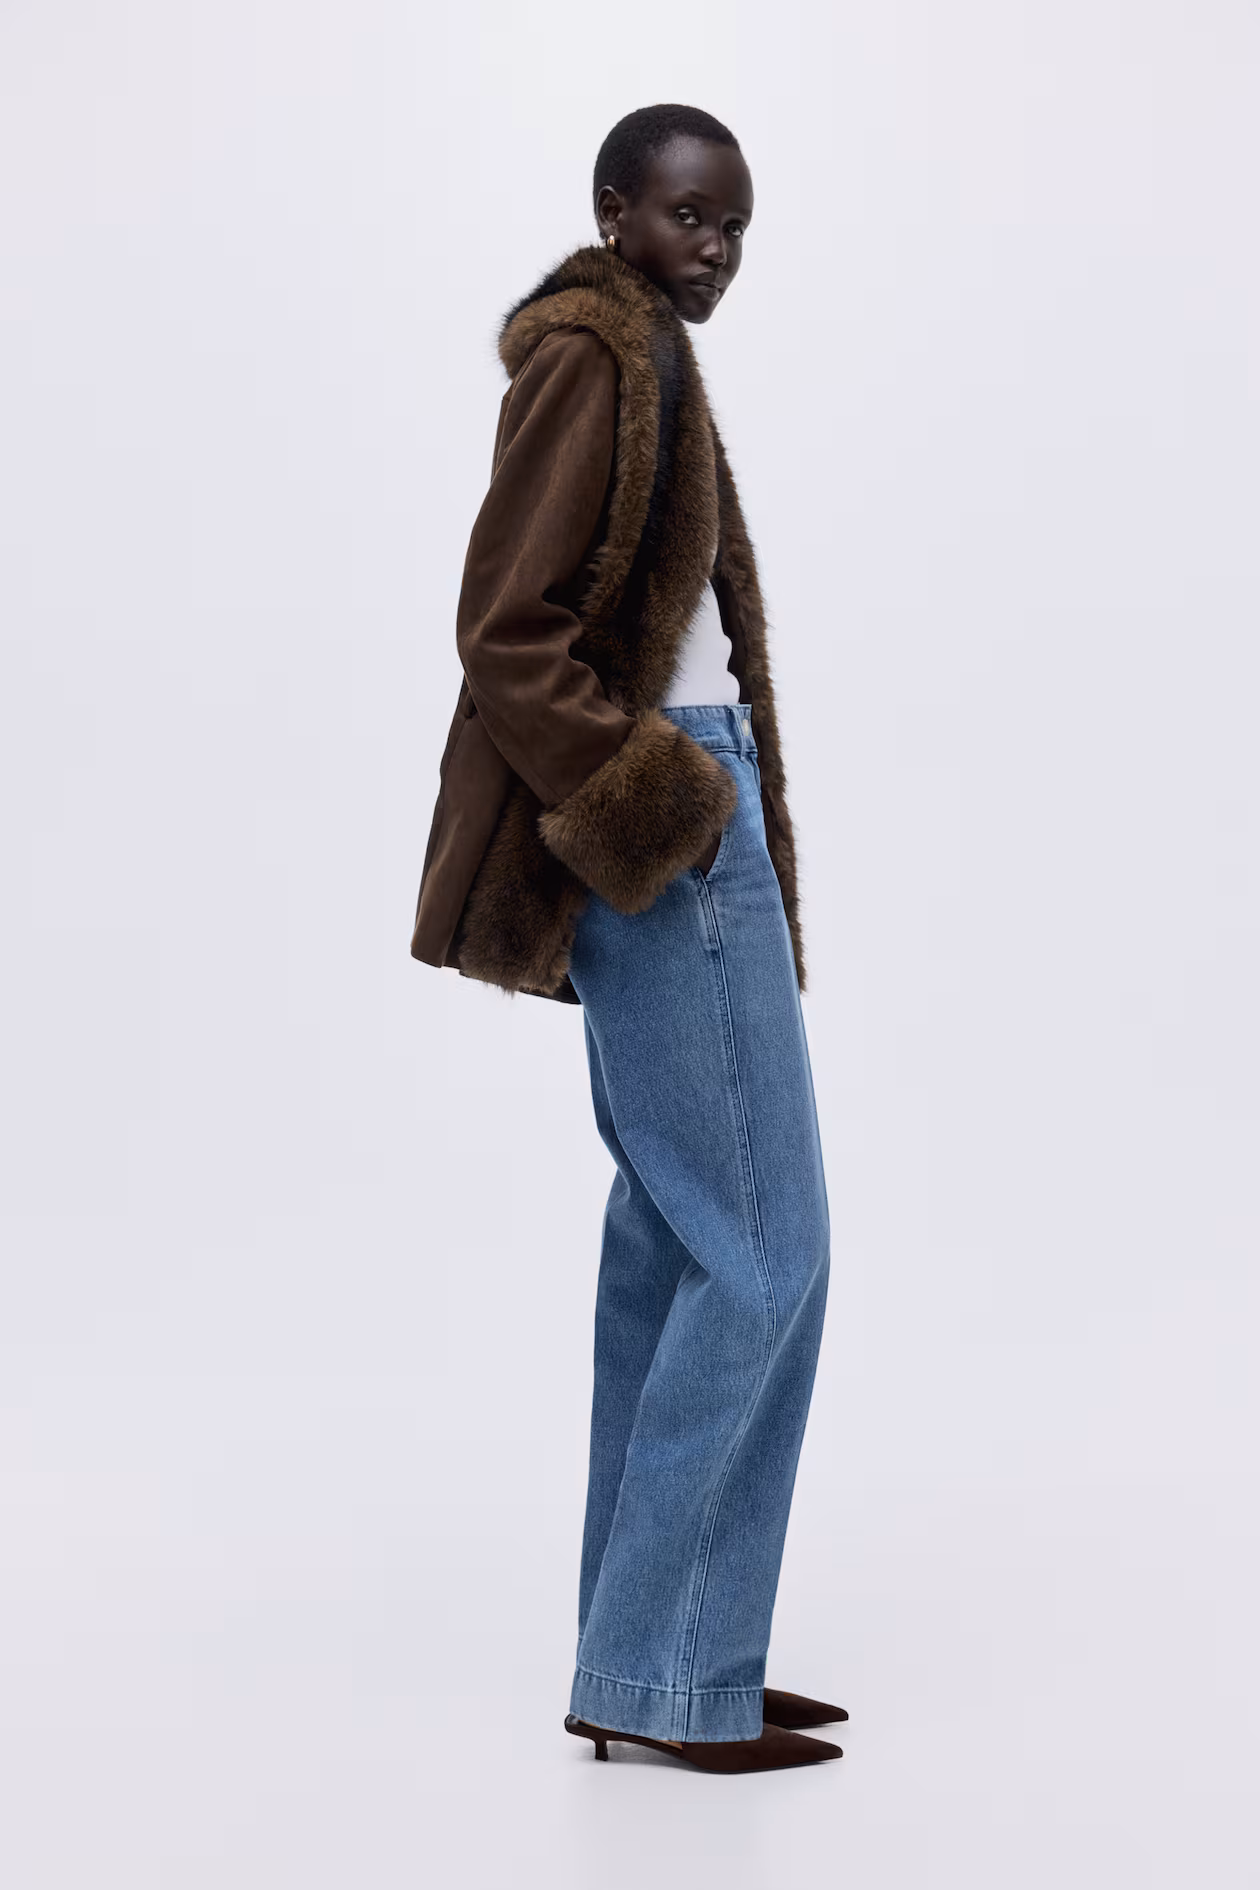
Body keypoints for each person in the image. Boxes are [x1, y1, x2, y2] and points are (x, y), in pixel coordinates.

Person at [411, 104, 842, 1775]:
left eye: (735, 226)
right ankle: (668, 1666)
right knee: (767, 1248)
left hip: (682, 804)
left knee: (677, 1248)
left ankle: (653, 1657)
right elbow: (504, 630)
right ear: (615, 213)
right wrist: (658, 800)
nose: (714, 247)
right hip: (662, 823)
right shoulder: (596, 355)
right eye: (688, 216)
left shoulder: (641, 346)